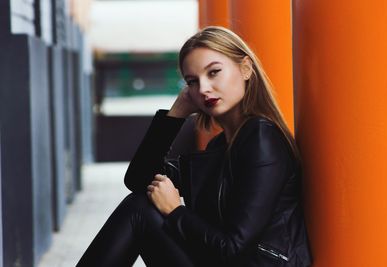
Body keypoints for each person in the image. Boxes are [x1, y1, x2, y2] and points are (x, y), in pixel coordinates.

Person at [77, 26, 312, 267]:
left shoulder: (261, 137)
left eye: (214, 73)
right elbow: (139, 180)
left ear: (245, 68)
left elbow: (233, 247)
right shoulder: (221, 145)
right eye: (192, 81)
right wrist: (176, 114)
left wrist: (175, 211)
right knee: (138, 205)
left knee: (138, 210)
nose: (203, 89)